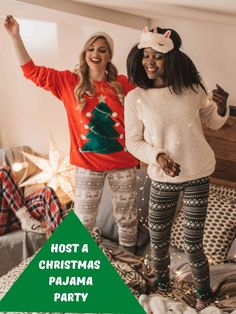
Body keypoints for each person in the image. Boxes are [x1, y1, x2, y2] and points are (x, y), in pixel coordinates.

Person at [4, 15, 139, 252]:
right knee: (83, 222)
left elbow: (152, 98)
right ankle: (82, 262)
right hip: (87, 165)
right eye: (91, 48)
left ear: (109, 56)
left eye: (102, 49)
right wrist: (16, 37)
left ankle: (130, 267)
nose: (95, 53)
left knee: (127, 220)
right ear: (85, 53)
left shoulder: (122, 84)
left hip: (123, 164)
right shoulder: (69, 82)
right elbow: (31, 71)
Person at [124, 26, 229, 310]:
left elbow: (214, 122)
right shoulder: (134, 98)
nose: (150, 61)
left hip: (198, 174)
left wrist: (221, 107)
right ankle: (164, 287)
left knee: (194, 244)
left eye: (157, 56)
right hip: (161, 178)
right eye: (145, 55)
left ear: (171, 58)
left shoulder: (193, 89)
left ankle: (203, 296)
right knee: (158, 242)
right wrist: (158, 156)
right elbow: (132, 142)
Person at [0, 165, 64, 236]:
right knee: (3, 171)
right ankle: (26, 219)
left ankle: (66, 236)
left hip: (11, 215)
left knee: (46, 193)